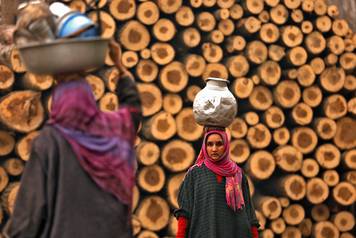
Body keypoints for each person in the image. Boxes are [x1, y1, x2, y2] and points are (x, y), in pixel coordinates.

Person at [3, 39, 142, 238]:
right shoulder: (114, 131)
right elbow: (133, 108)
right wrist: (120, 68)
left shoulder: (51, 140)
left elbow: (29, 210)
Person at [174, 127, 260, 238]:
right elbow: (184, 212)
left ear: (226, 146)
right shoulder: (195, 174)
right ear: (204, 147)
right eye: (210, 144)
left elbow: (249, 213)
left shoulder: (237, 174)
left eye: (219, 144)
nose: (214, 149)